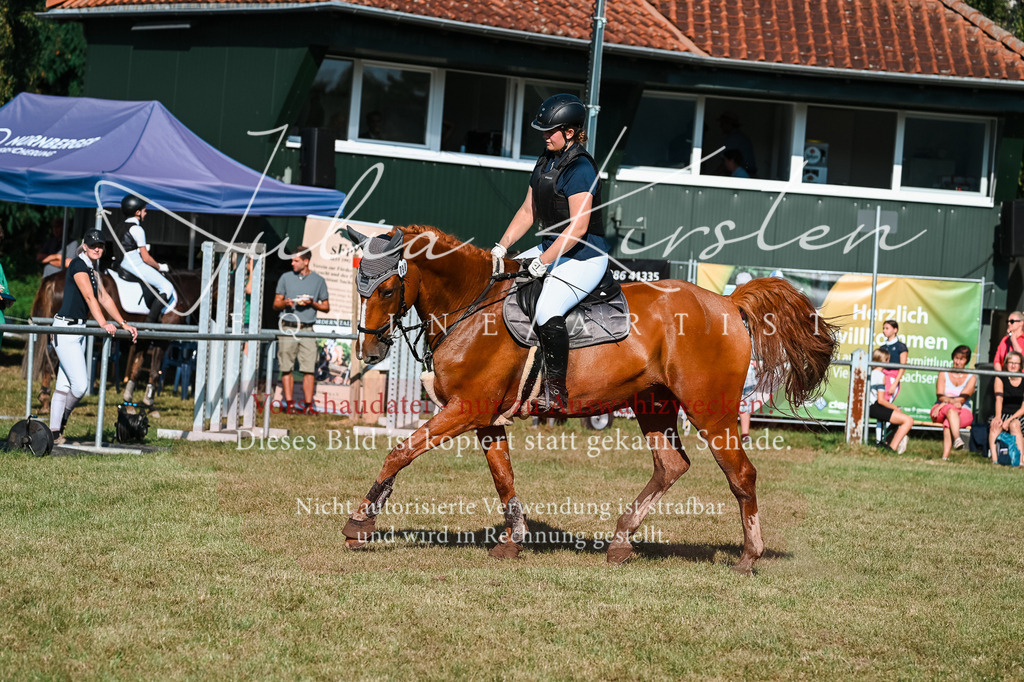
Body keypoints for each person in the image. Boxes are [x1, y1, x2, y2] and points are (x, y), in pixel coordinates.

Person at [491, 93, 609, 411]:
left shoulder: (581, 168)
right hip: (552, 247)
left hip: (584, 256)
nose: (544, 136)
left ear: (569, 132)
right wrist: (502, 247)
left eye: (549, 131)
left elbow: (578, 228)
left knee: (547, 309)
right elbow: (527, 211)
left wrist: (543, 261)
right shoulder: (546, 159)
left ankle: (556, 391)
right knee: (499, 282)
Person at [49, 230, 138, 444]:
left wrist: (123, 323)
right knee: (80, 386)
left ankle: (53, 433)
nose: (97, 249)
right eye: (93, 245)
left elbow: (104, 297)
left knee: (64, 385)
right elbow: (90, 298)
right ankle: (61, 422)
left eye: (100, 245)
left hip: (77, 331)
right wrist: (103, 323)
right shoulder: (78, 265)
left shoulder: (92, 268)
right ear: (85, 245)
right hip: (66, 329)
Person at [273, 247, 329, 413]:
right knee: (286, 367)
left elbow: (326, 307)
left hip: (307, 328)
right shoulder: (285, 277)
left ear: (306, 261)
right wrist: (285, 303)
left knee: (309, 368)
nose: (292, 263)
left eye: (295, 260)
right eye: (292, 260)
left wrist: (312, 303)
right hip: (288, 327)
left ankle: (308, 406)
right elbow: (276, 304)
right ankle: (289, 405)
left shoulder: (319, 280)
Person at [117, 194, 177, 323]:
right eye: (144, 211)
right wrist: (160, 267)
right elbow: (146, 258)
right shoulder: (137, 229)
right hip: (134, 264)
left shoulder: (119, 226)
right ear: (137, 212)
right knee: (167, 287)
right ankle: (150, 322)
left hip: (121, 264)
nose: (146, 213)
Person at [930, 344, 977, 461]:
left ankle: (945, 457)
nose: (957, 362)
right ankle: (957, 438)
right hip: (940, 410)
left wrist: (945, 402)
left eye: (961, 359)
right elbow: (939, 395)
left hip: (963, 411)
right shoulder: (944, 373)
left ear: (966, 361)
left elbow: (962, 399)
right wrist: (943, 404)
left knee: (948, 421)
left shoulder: (971, 377)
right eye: (956, 358)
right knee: (951, 410)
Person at [869, 347, 913, 453]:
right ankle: (891, 448)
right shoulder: (881, 376)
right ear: (884, 360)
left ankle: (886, 444)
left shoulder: (869, 373)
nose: (889, 362)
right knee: (908, 420)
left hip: (869, 406)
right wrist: (895, 408)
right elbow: (881, 400)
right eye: (888, 359)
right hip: (874, 407)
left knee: (897, 419)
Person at [988, 350, 1024, 465]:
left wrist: (1009, 420)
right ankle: (995, 460)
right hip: (1002, 413)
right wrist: (998, 417)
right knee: (995, 425)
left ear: (1021, 365)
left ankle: (1019, 461)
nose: (1013, 365)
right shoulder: (1000, 378)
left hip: (1019, 415)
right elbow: (999, 399)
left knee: (1015, 425)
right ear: (1006, 364)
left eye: (1016, 363)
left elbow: (1023, 408)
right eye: (1011, 362)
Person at [717, 111, 757, 177]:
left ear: (729, 123)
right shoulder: (741, 136)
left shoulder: (733, 138)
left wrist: (713, 175)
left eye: (722, 123)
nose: (720, 126)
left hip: (742, 175)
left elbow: (725, 161)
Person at [879, 319, 908, 402]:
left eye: (887, 328)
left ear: (895, 330)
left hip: (893, 378)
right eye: (883, 328)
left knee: (886, 402)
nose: (884, 331)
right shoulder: (883, 347)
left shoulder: (901, 347)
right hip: (881, 377)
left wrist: (895, 384)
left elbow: (903, 366)